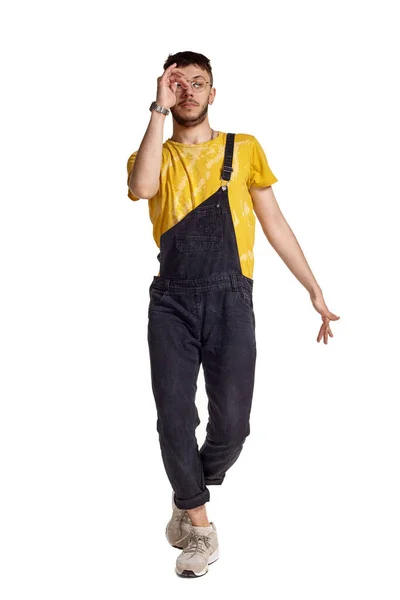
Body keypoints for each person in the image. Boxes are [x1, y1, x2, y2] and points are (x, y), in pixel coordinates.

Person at [126, 51, 340, 578]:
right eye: (180, 85)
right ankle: (200, 528)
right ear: (168, 94)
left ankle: (186, 491)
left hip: (231, 300)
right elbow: (142, 188)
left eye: (200, 83)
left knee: (234, 427)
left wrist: (312, 288)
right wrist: (157, 109)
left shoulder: (243, 150)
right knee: (174, 417)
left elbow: (274, 223)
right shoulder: (155, 152)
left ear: (214, 94)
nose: (190, 92)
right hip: (171, 302)